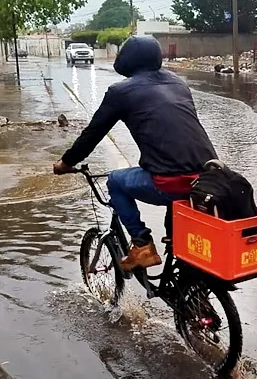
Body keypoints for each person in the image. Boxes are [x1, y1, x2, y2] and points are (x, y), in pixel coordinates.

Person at [53, 35, 218, 271]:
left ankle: (142, 245)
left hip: (170, 181)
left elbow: (93, 134)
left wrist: (66, 162)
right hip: (206, 180)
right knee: (179, 187)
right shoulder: (178, 83)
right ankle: (178, 250)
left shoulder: (121, 91)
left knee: (116, 181)